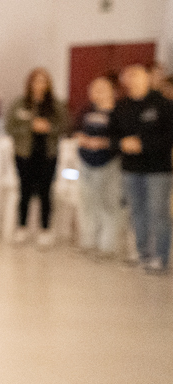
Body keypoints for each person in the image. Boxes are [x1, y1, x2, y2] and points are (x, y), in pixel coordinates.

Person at [113, 64, 173, 273]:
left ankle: (160, 257)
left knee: (158, 212)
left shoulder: (163, 104)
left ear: (147, 78)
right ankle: (142, 254)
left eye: (138, 75)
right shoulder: (122, 106)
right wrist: (121, 143)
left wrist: (143, 145)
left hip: (157, 169)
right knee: (136, 212)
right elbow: (112, 134)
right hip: (131, 168)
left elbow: (169, 136)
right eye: (130, 76)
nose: (134, 79)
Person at [5, 68, 69, 244]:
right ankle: (22, 227)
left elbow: (65, 127)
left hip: (48, 154)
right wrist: (30, 126)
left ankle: (45, 229)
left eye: (43, 81)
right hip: (24, 153)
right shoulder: (20, 103)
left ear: (48, 84)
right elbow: (9, 127)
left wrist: (49, 128)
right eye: (36, 81)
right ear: (30, 83)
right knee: (24, 190)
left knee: (45, 191)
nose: (39, 85)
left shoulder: (56, 105)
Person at [73, 76, 123, 258]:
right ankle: (87, 242)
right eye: (94, 89)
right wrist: (82, 138)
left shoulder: (119, 112)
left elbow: (122, 139)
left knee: (108, 204)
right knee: (87, 203)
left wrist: (103, 143)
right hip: (86, 162)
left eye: (102, 89)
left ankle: (106, 246)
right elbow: (75, 129)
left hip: (109, 164)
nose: (97, 92)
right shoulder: (86, 110)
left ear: (111, 92)